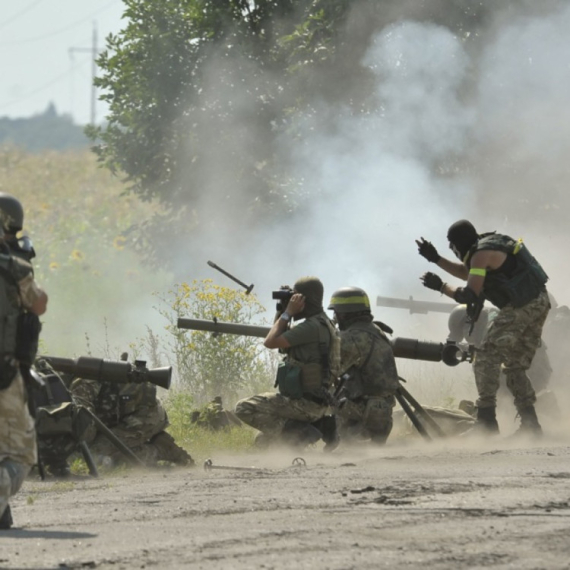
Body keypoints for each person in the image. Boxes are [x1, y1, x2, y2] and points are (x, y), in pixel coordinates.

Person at [416, 219, 550, 436]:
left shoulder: (480, 254)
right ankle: (531, 425)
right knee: (514, 365)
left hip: (521, 307)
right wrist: (436, 259)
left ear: (457, 244)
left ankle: (486, 421)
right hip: (537, 302)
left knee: (485, 356)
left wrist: (440, 286)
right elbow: (467, 272)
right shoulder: (486, 248)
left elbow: (469, 294)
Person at [235, 277, 340, 449]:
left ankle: (303, 432)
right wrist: (283, 310)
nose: (293, 301)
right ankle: (320, 426)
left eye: (295, 297)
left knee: (244, 408)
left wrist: (288, 312)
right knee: (262, 442)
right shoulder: (322, 323)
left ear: (304, 300)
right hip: (317, 403)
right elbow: (281, 344)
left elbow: (270, 342)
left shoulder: (311, 327)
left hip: (305, 404)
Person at [0, 193, 48, 529]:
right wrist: (18, 258)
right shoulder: (14, 268)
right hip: (5, 373)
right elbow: (39, 304)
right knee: (21, 455)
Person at [69, 353, 193, 467]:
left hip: (145, 416)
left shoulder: (82, 386)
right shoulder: (76, 383)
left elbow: (86, 430)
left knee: (94, 454)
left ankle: (162, 450)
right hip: (130, 415)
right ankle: (156, 441)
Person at [328, 287, 400, 445]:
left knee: (318, 394)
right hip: (383, 416)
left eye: (337, 313)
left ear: (345, 314)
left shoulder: (352, 338)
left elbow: (327, 371)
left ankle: (300, 440)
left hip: (360, 415)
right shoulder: (377, 332)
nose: (335, 318)